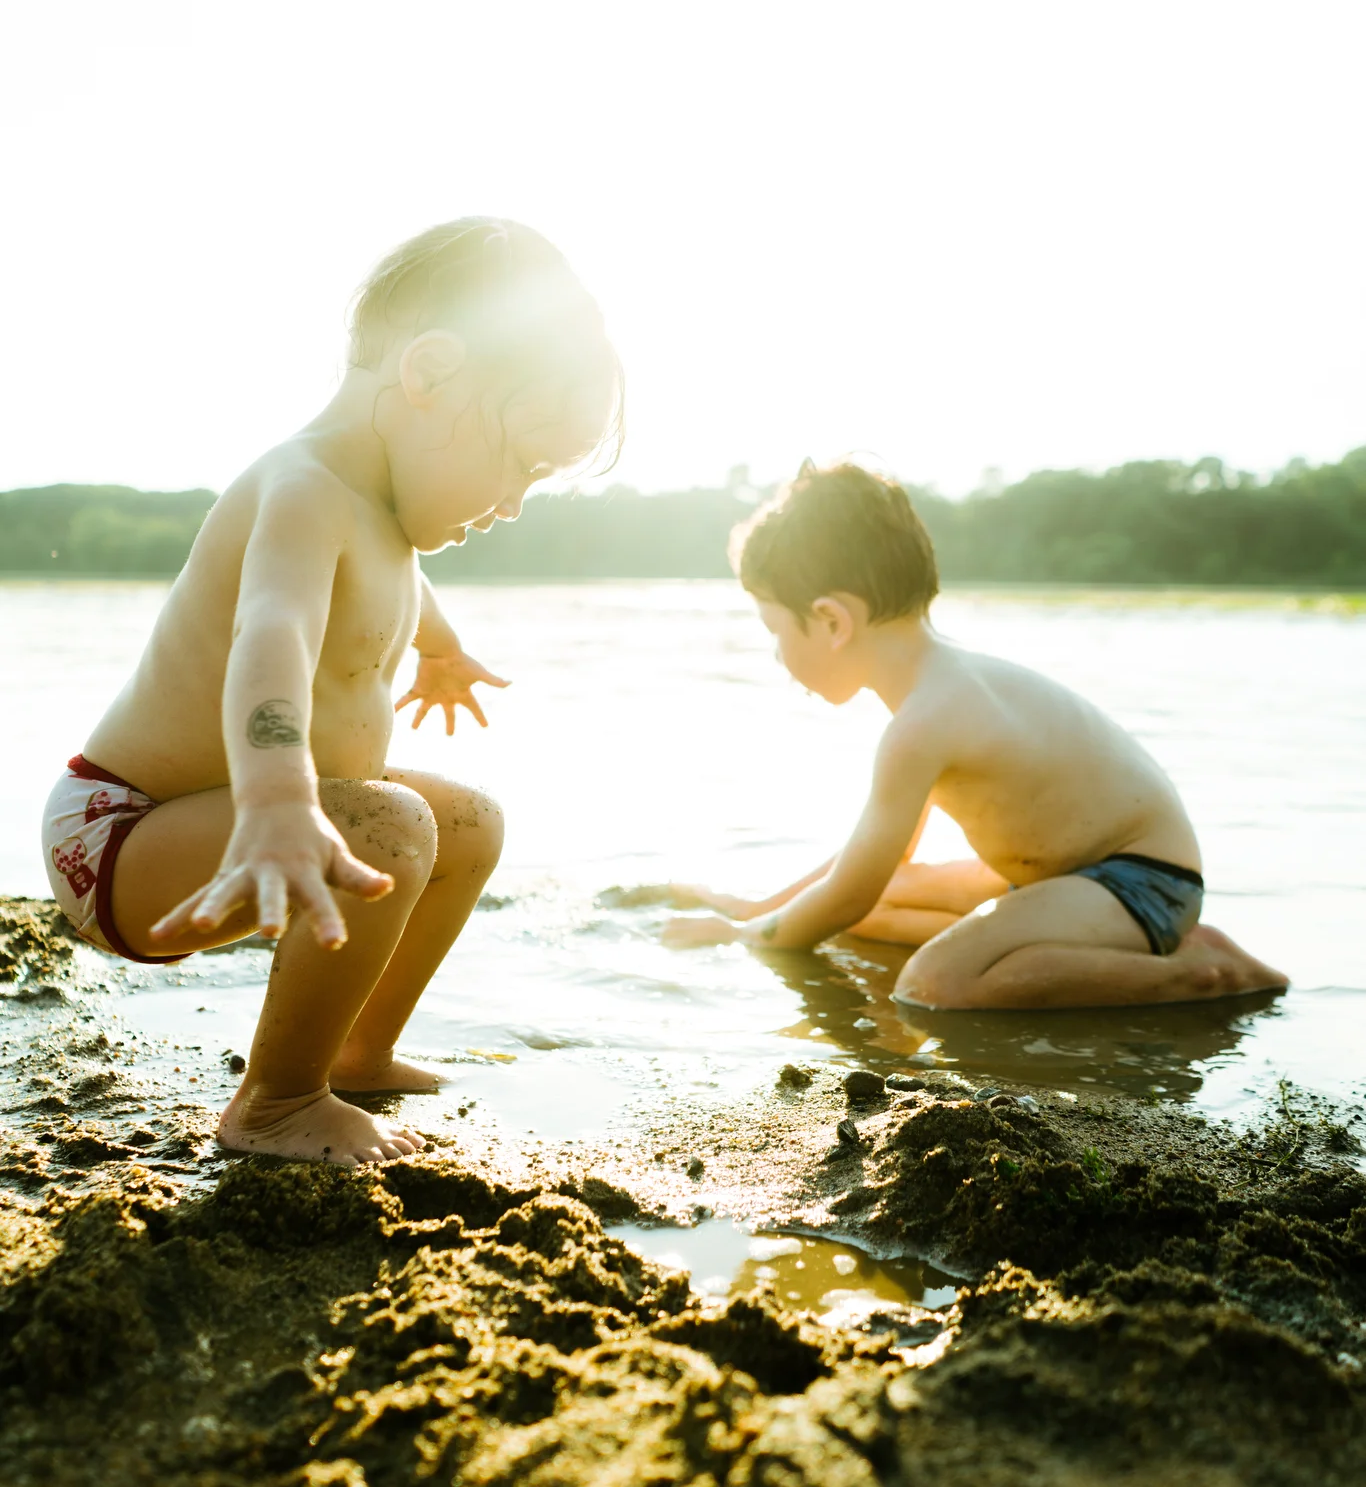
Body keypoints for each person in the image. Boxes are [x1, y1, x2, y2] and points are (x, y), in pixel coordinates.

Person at [42, 218, 623, 1165]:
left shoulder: (380, 511)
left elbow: (403, 591)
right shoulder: (306, 489)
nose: (516, 500)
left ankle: (358, 1050)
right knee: (390, 824)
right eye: (521, 460)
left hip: (217, 822)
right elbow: (268, 637)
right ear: (427, 378)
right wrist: (278, 795)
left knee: (470, 820)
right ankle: (276, 1102)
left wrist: (442, 651)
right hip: (121, 836)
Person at [663, 461, 1287, 1010]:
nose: (775, 654)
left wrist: (744, 940)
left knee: (933, 983)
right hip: (1066, 878)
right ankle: (1088, 947)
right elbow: (870, 870)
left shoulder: (927, 719)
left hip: (1139, 882)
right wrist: (753, 908)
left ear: (831, 621)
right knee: (878, 906)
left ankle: (1197, 973)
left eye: (775, 630)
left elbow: (845, 894)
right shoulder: (938, 690)